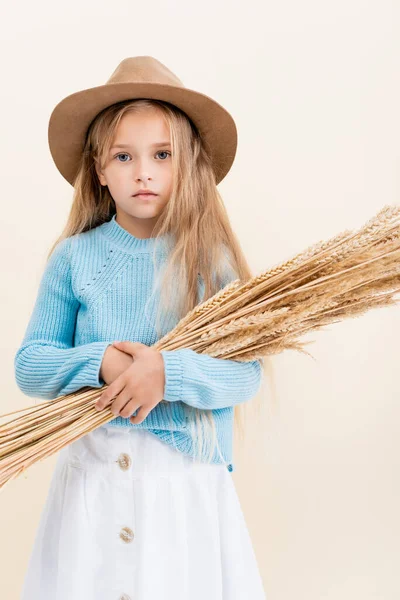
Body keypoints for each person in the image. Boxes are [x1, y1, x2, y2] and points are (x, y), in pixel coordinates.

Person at [14, 56, 267, 600]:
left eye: (161, 155)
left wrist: (167, 374)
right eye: (123, 156)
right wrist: (100, 361)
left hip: (183, 484)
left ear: (188, 165)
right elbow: (31, 363)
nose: (143, 172)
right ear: (99, 169)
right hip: (94, 475)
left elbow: (245, 374)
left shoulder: (209, 259)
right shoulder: (75, 258)